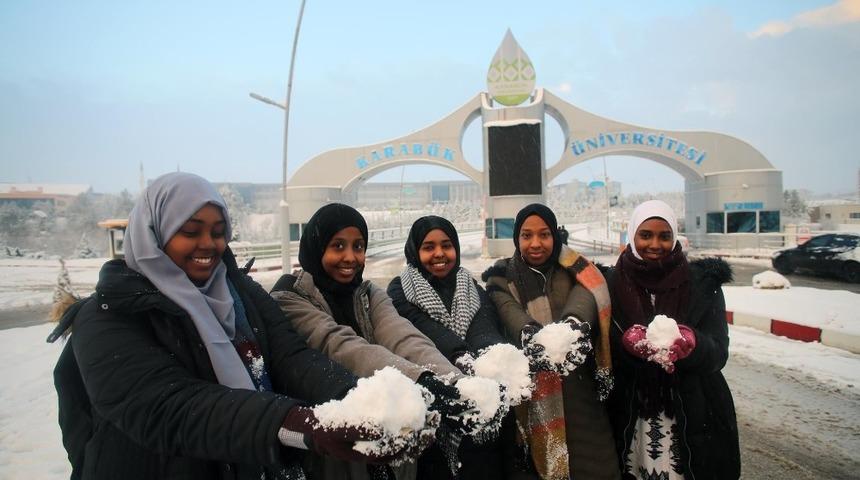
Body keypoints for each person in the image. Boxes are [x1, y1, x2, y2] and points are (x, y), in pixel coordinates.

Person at [50, 172, 387, 480]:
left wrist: (366, 400)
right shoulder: (106, 316)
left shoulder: (239, 291)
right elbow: (170, 407)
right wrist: (291, 423)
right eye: (190, 231)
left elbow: (292, 358)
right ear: (155, 232)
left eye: (218, 231)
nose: (209, 244)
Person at [269, 203, 484, 480]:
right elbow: (338, 344)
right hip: (332, 446)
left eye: (358, 247)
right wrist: (419, 380)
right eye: (338, 246)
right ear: (316, 247)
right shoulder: (289, 297)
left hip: (389, 441)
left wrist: (453, 381)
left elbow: (400, 335)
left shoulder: (368, 293)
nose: (350, 257)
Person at [602, 200, 739, 479]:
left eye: (664, 236)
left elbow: (718, 354)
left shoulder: (702, 285)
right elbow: (602, 352)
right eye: (645, 235)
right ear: (632, 235)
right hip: (630, 414)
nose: (655, 244)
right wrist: (626, 346)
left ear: (674, 237)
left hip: (692, 413)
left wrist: (693, 344)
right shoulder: (610, 284)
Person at [482, 203, 620, 480]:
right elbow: (508, 309)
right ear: (517, 239)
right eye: (526, 235)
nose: (535, 243)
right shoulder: (501, 277)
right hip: (533, 398)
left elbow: (585, 298)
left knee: (598, 466)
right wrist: (530, 334)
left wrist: (572, 328)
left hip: (581, 392)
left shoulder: (579, 270)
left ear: (555, 236)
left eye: (544, 234)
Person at [386, 215, 528, 480]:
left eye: (446, 245)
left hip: (480, 408)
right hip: (434, 409)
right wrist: (459, 355)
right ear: (415, 251)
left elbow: (483, 325)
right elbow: (419, 327)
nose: (439, 253)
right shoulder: (399, 290)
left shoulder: (470, 286)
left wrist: (493, 357)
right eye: (429, 247)